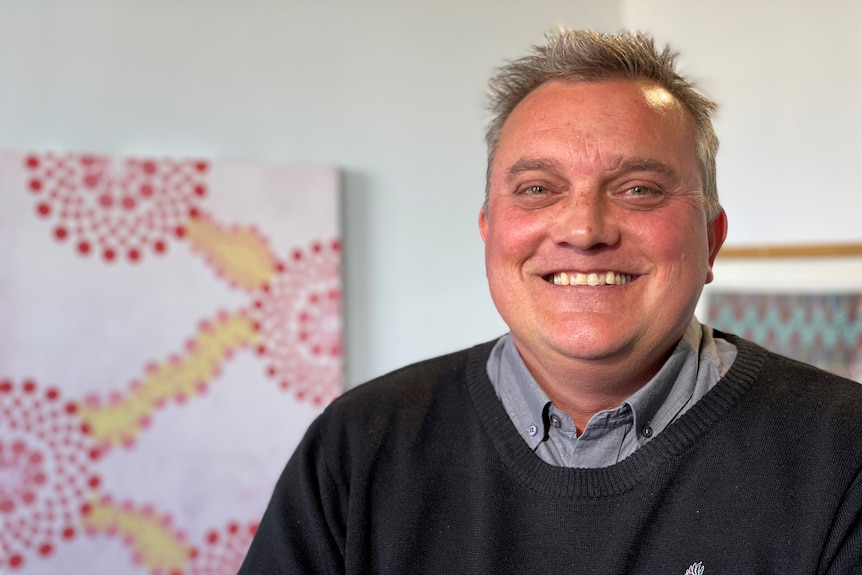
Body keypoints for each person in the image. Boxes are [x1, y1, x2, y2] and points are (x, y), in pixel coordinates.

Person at [238, 29, 862, 574]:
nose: (585, 230)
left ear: (711, 242)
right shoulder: (358, 446)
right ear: (490, 232)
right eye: (538, 189)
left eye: (639, 189)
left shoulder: (843, 453)